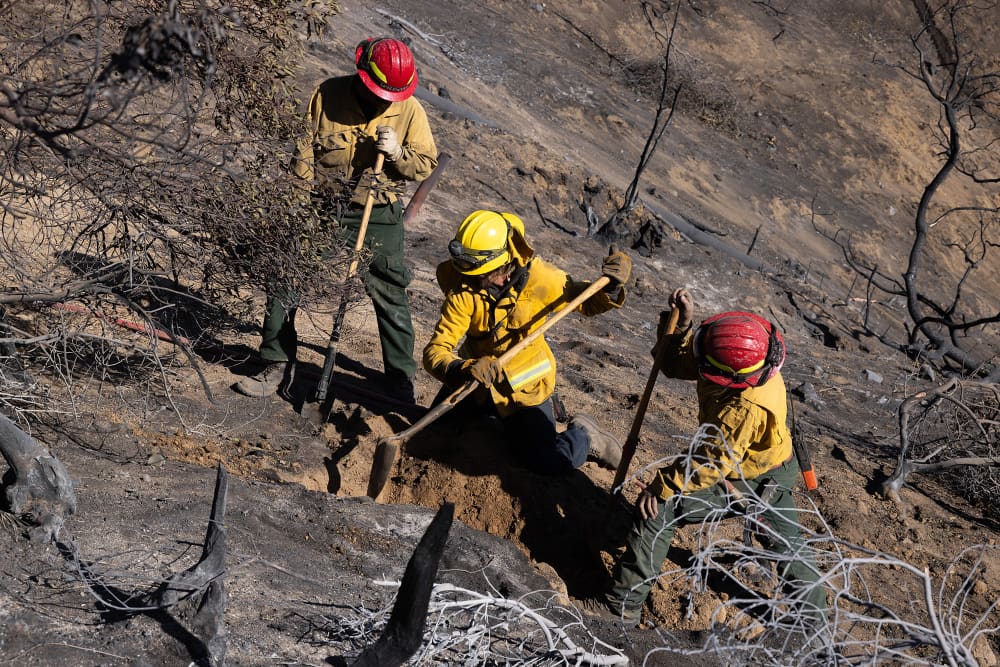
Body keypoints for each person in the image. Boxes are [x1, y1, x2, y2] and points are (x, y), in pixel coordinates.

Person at [584, 288, 827, 627]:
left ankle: (619, 610)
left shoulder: (744, 408)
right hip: (759, 460)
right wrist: (682, 325)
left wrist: (662, 486)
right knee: (786, 544)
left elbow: (710, 464)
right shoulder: (747, 355)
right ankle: (818, 626)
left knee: (659, 510)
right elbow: (673, 363)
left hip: (749, 475)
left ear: (733, 377)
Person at [236, 37, 438, 403]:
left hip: (377, 211)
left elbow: (424, 164)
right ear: (363, 76)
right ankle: (275, 361)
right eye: (379, 93)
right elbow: (303, 151)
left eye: (391, 96)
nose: (385, 101)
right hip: (320, 207)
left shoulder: (410, 111)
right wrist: (298, 206)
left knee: (391, 292)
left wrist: (397, 153)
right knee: (287, 275)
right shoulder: (327, 95)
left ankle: (398, 380)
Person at [422, 210, 631, 475]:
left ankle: (584, 436)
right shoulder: (463, 287)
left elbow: (586, 301)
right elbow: (436, 351)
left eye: (483, 274)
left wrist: (610, 288)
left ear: (506, 261)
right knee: (432, 436)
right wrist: (461, 369)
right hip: (475, 382)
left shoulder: (542, 279)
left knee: (546, 465)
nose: (475, 282)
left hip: (525, 391)